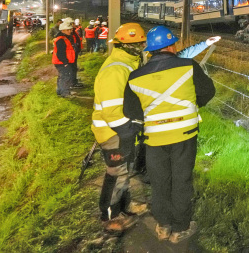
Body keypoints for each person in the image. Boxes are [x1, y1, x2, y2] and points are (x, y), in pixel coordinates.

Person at [123, 26, 215, 244]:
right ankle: (180, 228)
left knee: (160, 181)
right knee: (181, 180)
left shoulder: (135, 77)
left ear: (150, 50)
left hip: (154, 138)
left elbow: (131, 111)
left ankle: (163, 225)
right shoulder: (188, 66)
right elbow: (207, 92)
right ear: (172, 46)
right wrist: (191, 105)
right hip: (184, 135)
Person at [91, 23, 150, 233]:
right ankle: (109, 216)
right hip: (112, 131)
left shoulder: (128, 63)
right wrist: (128, 130)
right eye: (140, 43)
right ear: (131, 46)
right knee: (116, 173)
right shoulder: (117, 69)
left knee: (124, 172)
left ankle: (124, 206)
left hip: (121, 130)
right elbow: (111, 110)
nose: (144, 46)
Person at [52, 20, 77, 97]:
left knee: (62, 76)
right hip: (62, 62)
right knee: (66, 77)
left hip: (61, 62)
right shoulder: (61, 40)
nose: (70, 31)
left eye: (70, 29)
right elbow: (60, 53)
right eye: (68, 30)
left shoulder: (63, 38)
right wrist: (65, 62)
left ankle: (60, 91)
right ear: (63, 30)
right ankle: (65, 93)